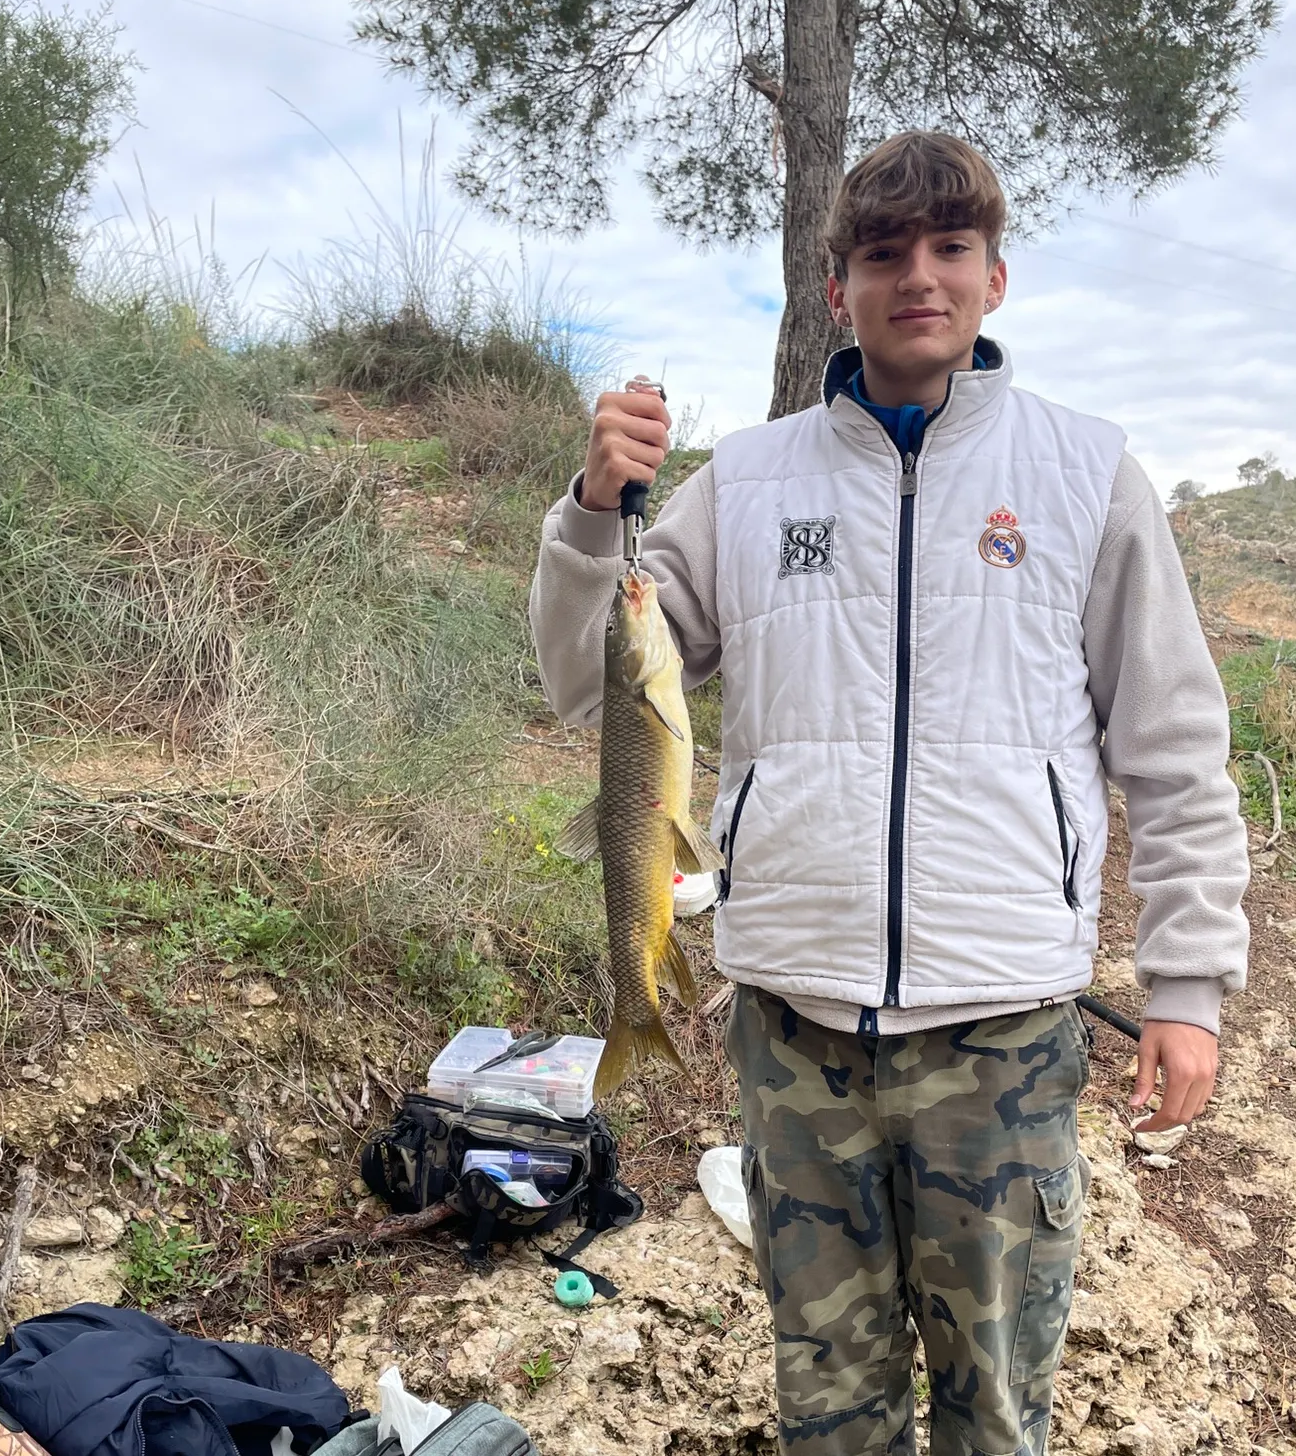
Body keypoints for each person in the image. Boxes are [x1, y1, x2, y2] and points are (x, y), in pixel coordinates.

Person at [529, 131, 1249, 1456]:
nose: (918, 276)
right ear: (835, 291)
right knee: (832, 1399)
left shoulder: (1088, 476)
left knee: (994, 1400)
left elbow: (1175, 747)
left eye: (949, 248)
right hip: (795, 1032)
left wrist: (1187, 990)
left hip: (1006, 1035)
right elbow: (595, 687)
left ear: (995, 277)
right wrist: (589, 519)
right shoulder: (744, 482)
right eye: (883, 254)